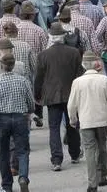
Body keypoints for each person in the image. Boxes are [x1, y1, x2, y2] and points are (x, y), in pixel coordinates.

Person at [68, 51, 107, 192]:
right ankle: (102, 175)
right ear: (96, 64)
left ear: (83, 65)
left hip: (85, 121)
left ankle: (92, 183)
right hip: (102, 120)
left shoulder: (77, 82)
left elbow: (71, 105)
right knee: (102, 147)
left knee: (90, 150)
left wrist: (72, 119)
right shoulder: (104, 80)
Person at [35, 22, 84, 170]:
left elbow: (39, 78)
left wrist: (36, 94)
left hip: (51, 96)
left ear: (50, 37)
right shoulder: (74, 53)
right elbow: (79, 74)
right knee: (72, 125)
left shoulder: (43, 55)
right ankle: (75, 154)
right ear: (63, 37)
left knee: (54, 128)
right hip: (71, 94)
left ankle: (56, 159)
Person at [0, 55, 34, 192]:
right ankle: (23, 177)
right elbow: (31, 102)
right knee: (23, 151)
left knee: (3, 153)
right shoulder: (23, 81)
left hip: (2, 120)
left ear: (1, 66)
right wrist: (29, 111)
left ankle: (7, 184)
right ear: (14, 66)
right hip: (20, 119)